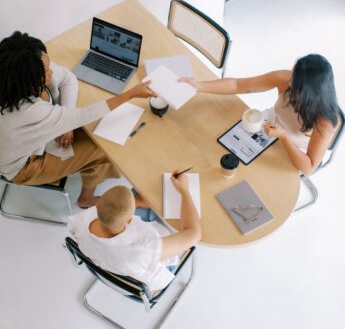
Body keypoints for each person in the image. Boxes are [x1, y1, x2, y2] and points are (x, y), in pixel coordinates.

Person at [0, 31, 154, 208]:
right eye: (45, 72)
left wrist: (66, 124)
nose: (51, 73)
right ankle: (86, 199)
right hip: (25, 165)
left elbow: (67, 78)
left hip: (24, 141)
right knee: (103, 146)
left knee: (95, 134)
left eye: (49, 66)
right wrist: (131, 94)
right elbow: (85, 115)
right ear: (26, 80)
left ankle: (89, 182)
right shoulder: (29, 112)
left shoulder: (13, 76)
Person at [181, 54, 340, 175]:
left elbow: (310, 167)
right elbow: (239, 85)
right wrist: (198, 86)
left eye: (296, 82)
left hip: (291, 150)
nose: (290, 82)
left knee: (251, 175)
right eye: (293, 75)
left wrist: (283, 136)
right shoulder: (287, 78)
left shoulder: (325, 121)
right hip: (265, 125)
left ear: (309, 93)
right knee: (215, 150)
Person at [68, 172, 201, 291]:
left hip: (111, 263)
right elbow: (194, 233)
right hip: (148, 276)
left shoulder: (81, 220)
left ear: (97, 204)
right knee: (171, 217)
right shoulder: (143, 249)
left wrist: (135, 202)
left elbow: (114, 209)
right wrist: (184, 190)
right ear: (130, 219)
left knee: (137, 193)